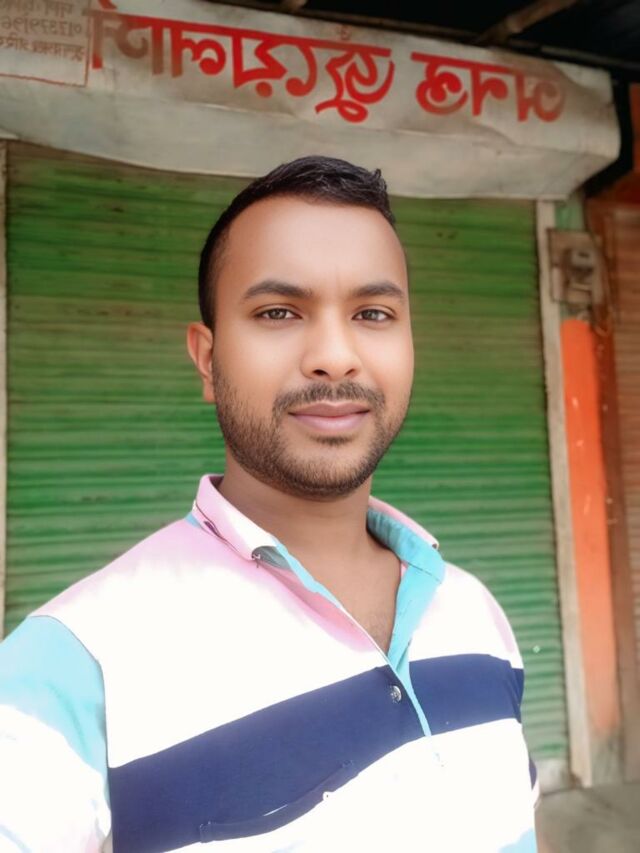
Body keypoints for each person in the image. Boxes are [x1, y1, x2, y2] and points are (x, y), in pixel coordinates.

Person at [0, 156, 541, 852]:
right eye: (278, 312)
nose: (335, 356)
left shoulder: (474, 611)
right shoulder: (72, 668)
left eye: (373, 313)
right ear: (207, 359)